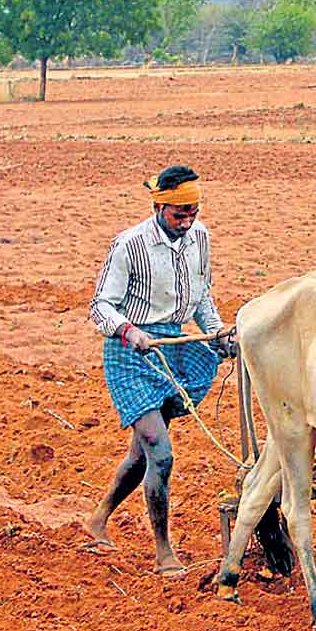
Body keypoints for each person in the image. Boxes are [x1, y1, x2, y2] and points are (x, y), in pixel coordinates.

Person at [83, 165, 236, 576]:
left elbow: (202, 297)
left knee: (142, 452)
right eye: (178, 214)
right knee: (161, 454)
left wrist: (217, 332)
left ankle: (98, 518)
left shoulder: (199, 238)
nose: (187, 221)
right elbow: (100, 306)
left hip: (173, 348)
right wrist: (128, 331)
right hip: (130, 355)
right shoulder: (129, 245)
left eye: (193, 211)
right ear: (158, 206)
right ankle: (163, 549)